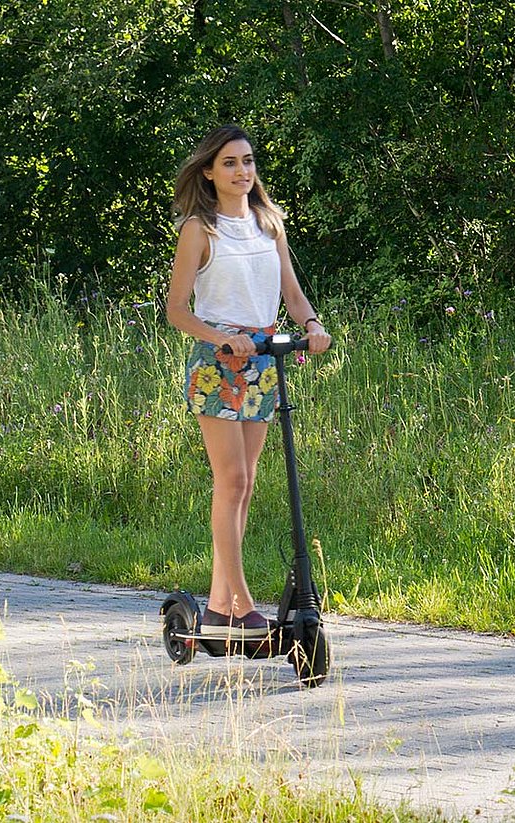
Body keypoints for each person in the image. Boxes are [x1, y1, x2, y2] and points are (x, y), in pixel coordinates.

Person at [166, 125, 333, 639]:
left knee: (247, 483)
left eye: (248, 161)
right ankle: (238, 602)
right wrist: (221, 337)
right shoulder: (200, 229)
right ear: (210, 172)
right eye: (231, 163)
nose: (243, 171)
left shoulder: (268, 223)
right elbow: (176, 311)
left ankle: (218, 603)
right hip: (220, 363)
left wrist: (312, 326)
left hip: (263, 359)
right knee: (231, 481)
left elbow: (292, 292)